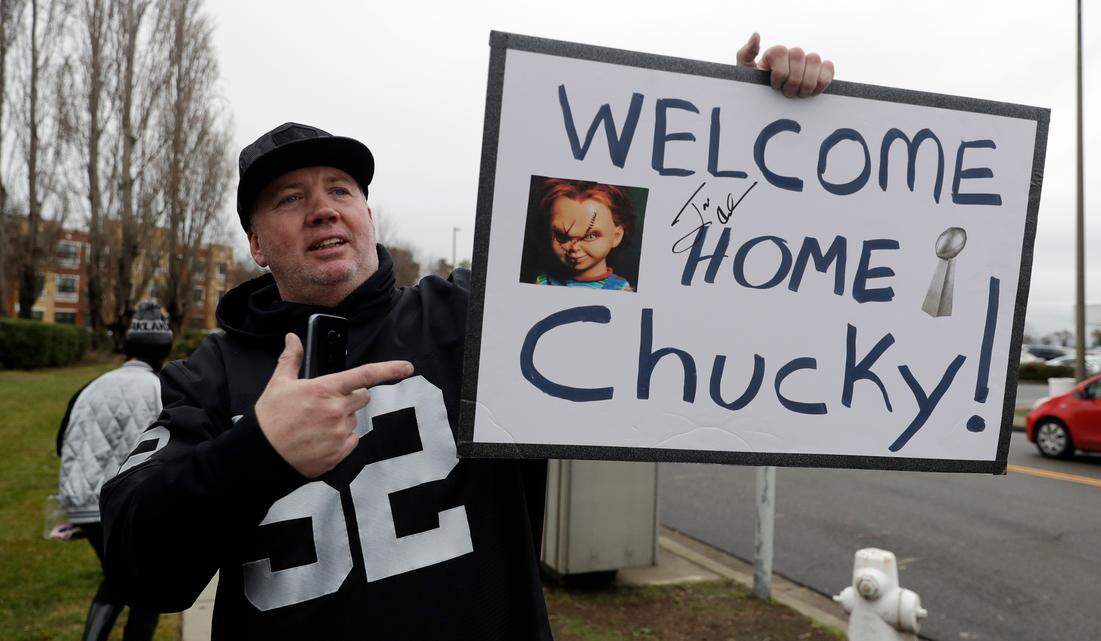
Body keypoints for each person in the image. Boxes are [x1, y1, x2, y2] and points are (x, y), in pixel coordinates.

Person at [99, 34, 834, 640]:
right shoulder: (206, 377)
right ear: (258, 244)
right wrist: (257, 451)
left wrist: (743, 119)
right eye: (290, 199)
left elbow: (657, 253)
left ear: (368, 216)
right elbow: (136, 562)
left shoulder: (471, 315)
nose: (323, 210)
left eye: (341, 191)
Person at [57, 301, 172, 641]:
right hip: (130, 505)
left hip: (83, 501)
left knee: (120, 578)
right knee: (148, 582)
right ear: (164, 350)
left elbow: (61, 443)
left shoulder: (92, 386)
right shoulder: (162, 388)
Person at [533, 179, 637, 291]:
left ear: (616, 236)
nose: (574, 248)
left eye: (590, 236)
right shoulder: (544, 282)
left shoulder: (621, 289)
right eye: (562, 236)